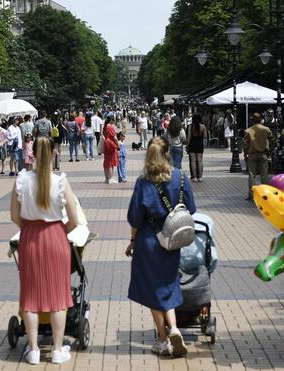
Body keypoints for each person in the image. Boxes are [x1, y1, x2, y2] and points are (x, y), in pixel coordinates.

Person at [10, 136, 79, 365]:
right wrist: (60, 231)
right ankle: (58, 350)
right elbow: (74, 219)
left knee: (30, 296)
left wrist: (30, 228)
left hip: (30, 237)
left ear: (33, 155)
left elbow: (14, 215)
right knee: (58, 295)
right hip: (56, 237)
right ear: (54, 153)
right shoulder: (60, 181)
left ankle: (33, 350)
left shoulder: (21, 179)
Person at [125, 136, 195, 358]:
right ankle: (173, 327)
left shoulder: (144, 182)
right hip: (172, 242)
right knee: (168, 285)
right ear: (167, 153)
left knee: (153, 291)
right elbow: (191, 209)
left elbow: (135, 218)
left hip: (149, 242)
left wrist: (132, 242)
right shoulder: (181, 178)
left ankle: (163, 340)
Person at [243, 113, 273, 199]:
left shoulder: (248, 130)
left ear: (253, 120)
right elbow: (273, 140)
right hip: (263, 154)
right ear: (261, 120)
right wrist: (269, 151)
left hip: (252, 155)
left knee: (252, 175)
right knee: (264, 175)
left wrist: (245, 155)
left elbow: (245, 145)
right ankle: (264, 194)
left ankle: (251, 194)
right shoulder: (266, 129)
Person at [186, 114, 205, 182]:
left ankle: (194, 177)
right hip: (200, 144)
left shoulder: (191, 126)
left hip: (192, 144)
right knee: (200, 161)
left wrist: (187, 146)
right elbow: (205, 136)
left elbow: (189, 138)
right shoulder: (203, 126)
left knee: (193, 161)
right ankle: (200, 177)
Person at [102, 116, 118, 183]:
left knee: (106, 161)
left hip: (106, 145)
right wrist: (118, 145)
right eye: (113, 120)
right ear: (111, 120)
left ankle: (106, 178)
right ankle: (110, 178)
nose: (114, 121)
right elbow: (115, 138)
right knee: (111, 162)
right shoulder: (110, 127)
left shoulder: (105, 126)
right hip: (111, 145)